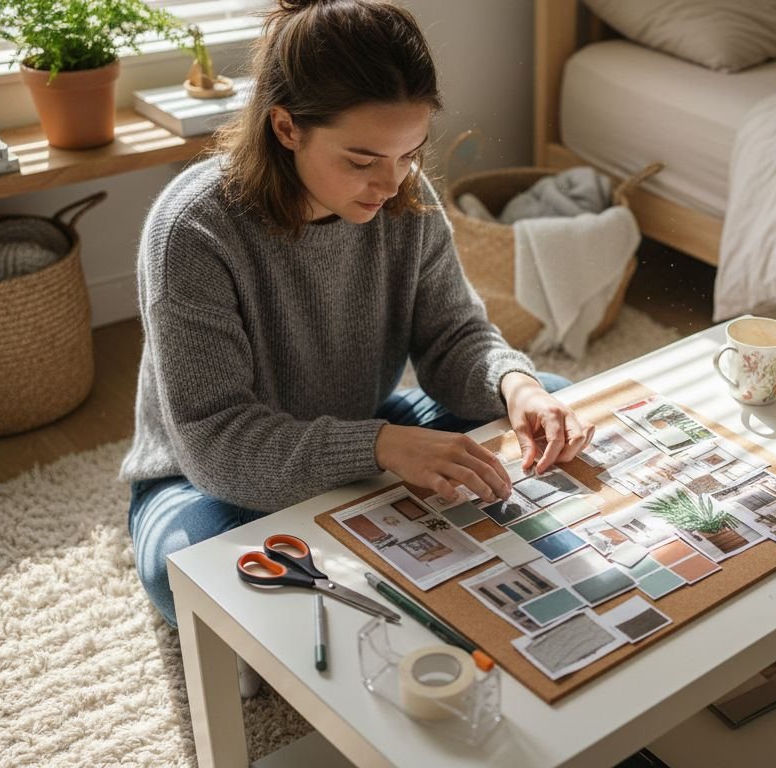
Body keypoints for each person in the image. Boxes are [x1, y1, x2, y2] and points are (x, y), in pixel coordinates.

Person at [119, 0, 594, 646]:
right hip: (202, 478)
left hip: (367, 427)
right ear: (286, 128)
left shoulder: (408, 197)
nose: (389, 183)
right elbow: (215, 440)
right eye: (362, 159)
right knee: (203, 578)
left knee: (557, 403)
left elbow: (455, 338)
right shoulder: (193, 231)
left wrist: (516, 385)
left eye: (408, 154)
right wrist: (378, 447)